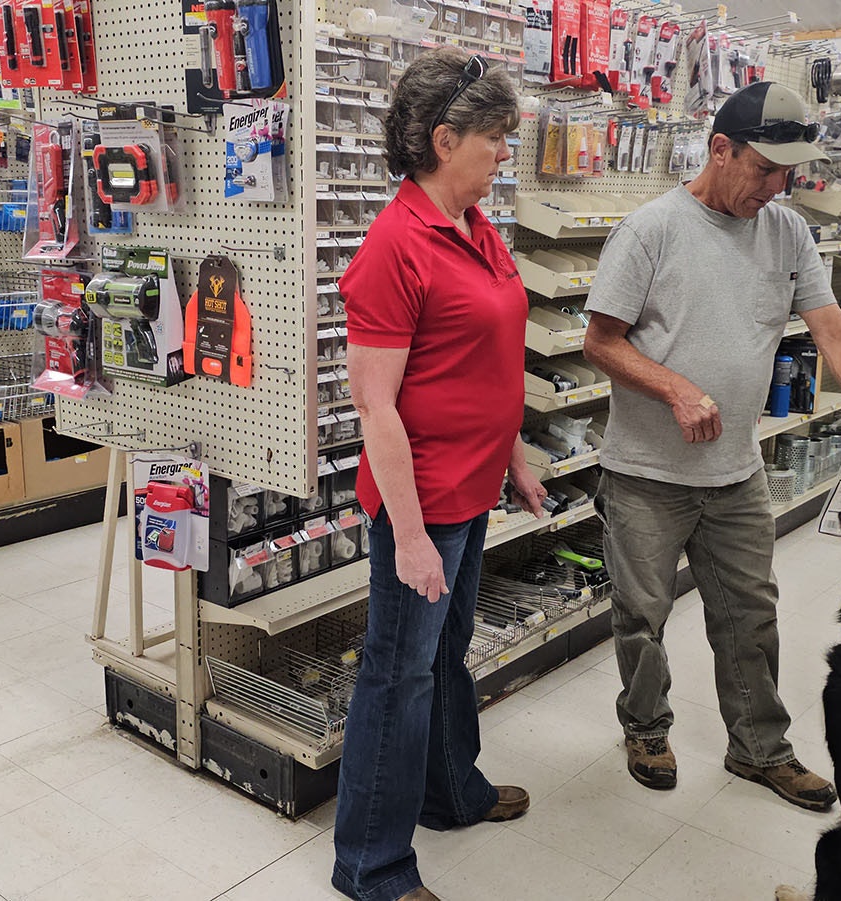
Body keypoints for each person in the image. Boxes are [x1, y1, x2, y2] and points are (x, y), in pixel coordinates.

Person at [583, 81, 841, 813]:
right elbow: (600, 343)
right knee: (641, 614)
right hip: (644, 475)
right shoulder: (650, 231)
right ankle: (645, 728)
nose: (777, 187)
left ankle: (759, 747)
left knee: (750, 614)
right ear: (720, 150)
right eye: (765, 169)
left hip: (734, 471)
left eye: (788, 174)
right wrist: (675, 387)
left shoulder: (787, 232)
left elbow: (831, 325)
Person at [331, 47, 548, 901]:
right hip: (422, 503)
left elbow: (485, 364)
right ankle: (371, 866)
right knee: (398, 670)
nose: (504, 152)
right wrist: (412, 536)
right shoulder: (396, 247)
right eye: (494, 137)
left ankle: (451, 792)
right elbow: (378, 410)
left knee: (446, 651)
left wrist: (516, 458)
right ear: (443, 137)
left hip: (473, 485)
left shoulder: (477, 227)